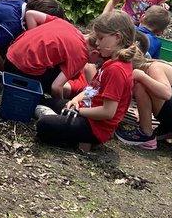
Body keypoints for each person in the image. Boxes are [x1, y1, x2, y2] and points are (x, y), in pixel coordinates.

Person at [34, 11, 137, 152]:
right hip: (87, 110)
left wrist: (80, 111)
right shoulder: (110, 62)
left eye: (101, 38)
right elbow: (92, 89)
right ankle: (66, 125)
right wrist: (76, 100)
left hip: (95, 127)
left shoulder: (117, 70)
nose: (97, 44)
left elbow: (108, 112)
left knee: (44, 125)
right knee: (43, 102)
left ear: (117, 37)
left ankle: (84, 140)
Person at [115, 50, 172, 149]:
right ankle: (163, 132)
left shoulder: (154, 67)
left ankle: (146, 134)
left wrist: (142, 77)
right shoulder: (153, 65)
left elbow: (166, 93)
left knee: (141, 86)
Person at [4, 14, 88, 99]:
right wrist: (60, 103)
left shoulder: (64, 23)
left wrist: (34, 44)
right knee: (61, 78)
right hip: (21, 70)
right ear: (96, 52)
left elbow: (30, 14)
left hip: (9, 56)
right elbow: (56, 87)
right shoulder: (82, 55)